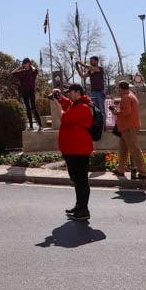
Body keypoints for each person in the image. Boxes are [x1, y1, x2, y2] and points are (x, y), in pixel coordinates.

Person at [52, 84, 95, 220]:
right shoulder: (76, 105)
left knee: (81, 181)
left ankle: (84, 210)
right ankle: (79, 206)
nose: (69, 95)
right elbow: (67, 104)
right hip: (72, 150)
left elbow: (65, 118)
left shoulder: (82, 107)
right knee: (77, 180)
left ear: (78, 92)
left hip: (79, 150)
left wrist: (57, 105)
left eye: (70, 92)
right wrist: (60, 97)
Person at [112, 81, 146, 180]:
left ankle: (143, 172)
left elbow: (126, 112)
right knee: (122, 150)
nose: (118, 90)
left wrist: (116, 112)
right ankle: (120, 170)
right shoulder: (131, 95)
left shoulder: (126, 97)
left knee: (135, 150)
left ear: (120, 88)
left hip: (128, 127)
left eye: (118, 88)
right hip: (127, 127)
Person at [10, 58, 43, 130]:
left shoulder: (32, 71)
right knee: (27, 109)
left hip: (31, 91)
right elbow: (13, 73)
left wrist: (31, 65)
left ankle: (40, 125)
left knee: (33, 108)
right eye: (24, 63)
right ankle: (31, 126)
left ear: (29, 63)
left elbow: (35, 70)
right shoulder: (22, 72)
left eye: (26, 63)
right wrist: (20, 67)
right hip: (24, 92)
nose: (25, 64)